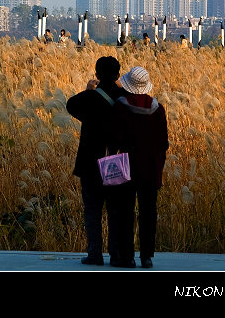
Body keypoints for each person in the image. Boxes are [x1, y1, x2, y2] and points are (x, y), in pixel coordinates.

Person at [66, 56, 126, 267]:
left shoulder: (89, 98)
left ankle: (95, 254)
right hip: (115, 161)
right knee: (115, 210)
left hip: (90, 162)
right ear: (118, 75)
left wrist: (90, 89)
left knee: (92, 210)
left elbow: (71, 105)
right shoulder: (123, 98)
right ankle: (116, 254)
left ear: (97, 74)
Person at [108, 66, 169, 269]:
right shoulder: (158, 108)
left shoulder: (120, 106)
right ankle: (147, 256)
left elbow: (114, 137)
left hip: (126, 166)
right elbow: (163, 142)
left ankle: (127, 256)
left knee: (125, 211)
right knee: (148, 212)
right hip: (151, 167)